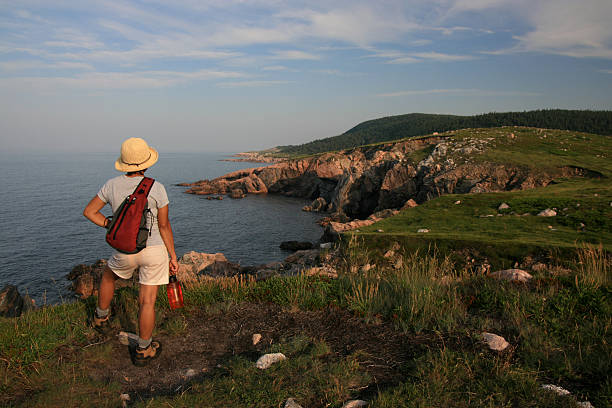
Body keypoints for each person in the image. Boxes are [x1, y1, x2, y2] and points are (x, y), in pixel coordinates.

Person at [83, 137, 179, 366]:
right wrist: (172, 256)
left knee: (108, 276)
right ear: (146, 162)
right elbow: (164, 226)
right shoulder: (157, 188)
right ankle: (144, 349)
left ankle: (101, 318)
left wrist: (111, 225)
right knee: (147, 300)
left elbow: (89, 211)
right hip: (154, 250)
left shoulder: (111, 185)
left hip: (125, 250)